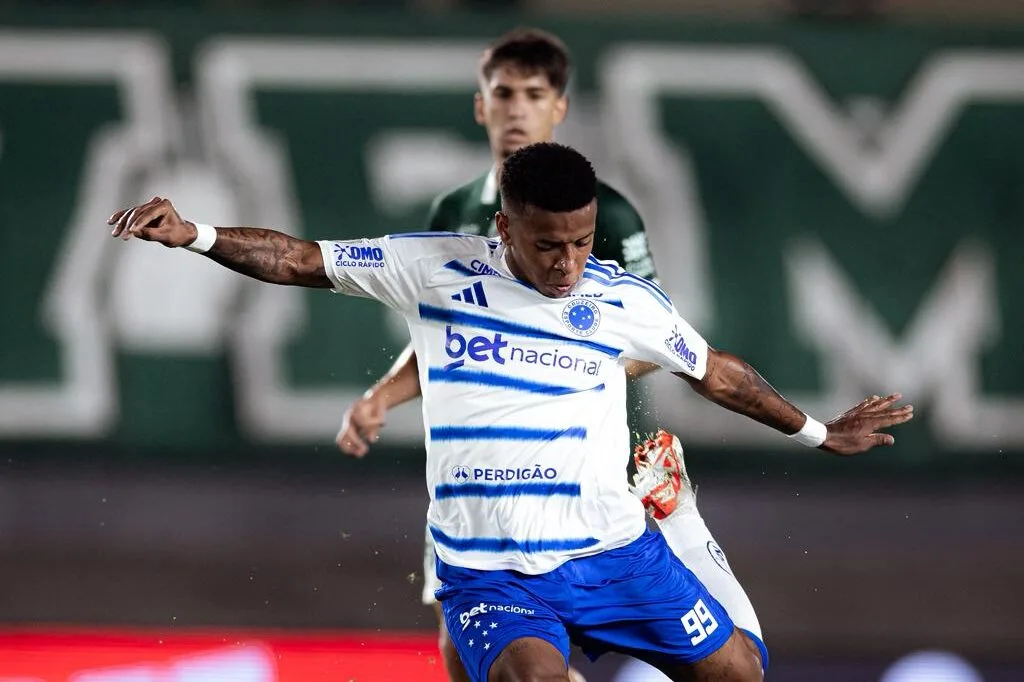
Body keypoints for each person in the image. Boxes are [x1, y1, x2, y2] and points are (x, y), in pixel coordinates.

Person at [107, 141, 913, 682]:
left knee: (742, 674)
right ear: (505, 227)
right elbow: (298, 259)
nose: (568, 263)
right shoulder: (433, 269)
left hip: (614, 553)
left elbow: (716, 373)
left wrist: (817, 432)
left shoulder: (621, 300)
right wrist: (196, 233)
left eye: (582, 242)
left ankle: (682, 522)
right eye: (548, 245)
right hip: (490, 570)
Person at [333, 28, 659, 682]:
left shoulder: (605, 216)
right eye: (504, 94)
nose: (517, 111)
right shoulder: (453, 211)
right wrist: (382, 396)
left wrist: (563, 375)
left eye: (534, 95)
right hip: (477, 470)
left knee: (546, 640)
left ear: (559, 107)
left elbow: (652, 339)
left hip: (572, 464)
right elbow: (443, 340)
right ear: (481, 106)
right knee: (460, 648)